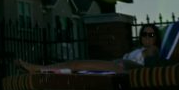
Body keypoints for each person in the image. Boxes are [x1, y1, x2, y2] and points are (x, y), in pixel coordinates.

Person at [17, 23, 161, 74]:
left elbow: (145, 67)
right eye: (144, 33)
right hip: (118, 66)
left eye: (151, 34)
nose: (147, 36)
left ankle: (36, 68)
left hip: (122, 69)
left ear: (156, 37)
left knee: (76, 65)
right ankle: (40, 70)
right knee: (75, 66)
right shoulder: (137, 50)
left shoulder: (154, 50)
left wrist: (124, 63)